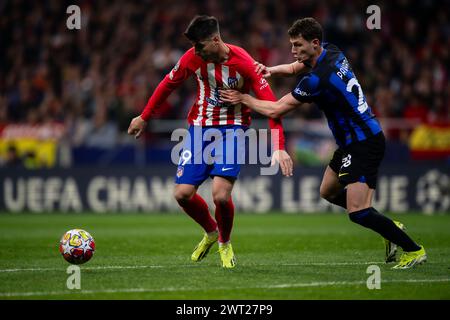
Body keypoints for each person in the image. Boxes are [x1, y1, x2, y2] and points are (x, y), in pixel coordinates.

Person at [220, 17, 426, 269]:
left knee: (358, 212)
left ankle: (413, 250)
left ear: (314, 43)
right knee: (327, 191)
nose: (293, 51)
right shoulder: (332, 51)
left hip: (364, 143)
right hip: (354, 140)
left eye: (298, 45)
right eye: (291, 45)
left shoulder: (318, 80)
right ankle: (390, 227)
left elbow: (275, 110)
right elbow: (298, 66)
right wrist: (272, 70)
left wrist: (244, 98)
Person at [128, 15, 293, 268]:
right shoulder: (192, 58)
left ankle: (224, 243)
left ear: (215, 40)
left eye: (200, 46)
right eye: (194, 46)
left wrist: (278, 147)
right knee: (182, 194)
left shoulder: (245, 63)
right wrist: (144, 116)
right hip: (200, 129)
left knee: (221, 196)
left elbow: (273, 107)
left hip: (233, 129)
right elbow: (167, 85)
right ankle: (211, 231)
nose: (196, 51)